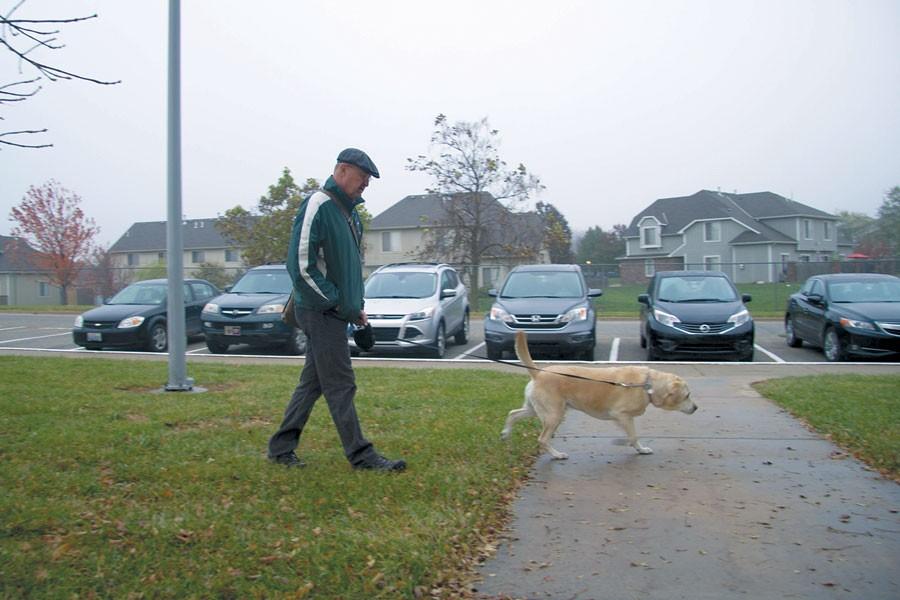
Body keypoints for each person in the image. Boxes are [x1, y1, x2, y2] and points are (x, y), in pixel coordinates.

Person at [267, 148, 406, 472]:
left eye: (369, 180)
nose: (366, 185)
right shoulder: (318, 205)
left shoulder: (349, 214)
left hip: (336, 312)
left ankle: (280, 448)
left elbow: (346, 269)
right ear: (342, 170)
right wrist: (334, 302)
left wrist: (356, 310)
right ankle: (361, 456)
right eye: (363, 177)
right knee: (341, 382)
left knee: (313, 382)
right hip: (320, 311)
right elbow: (299, 265)